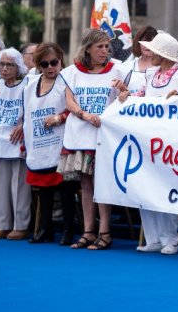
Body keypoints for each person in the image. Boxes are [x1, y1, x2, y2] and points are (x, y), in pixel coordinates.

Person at [121, 32, 178, 255]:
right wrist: (126, 96)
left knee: (165, 187)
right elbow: (139, 97)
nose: (148, 53)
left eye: (153, 50)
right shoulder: (150, 74)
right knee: (146, 188)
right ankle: (153, 237)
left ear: (163, 55)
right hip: (146, 139)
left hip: (171, 142)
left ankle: (171, 238)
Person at [59, 29, 125, 250]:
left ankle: (105, 231)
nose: (105, 51)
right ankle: (88, 230)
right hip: (81, 133)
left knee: (102, 184)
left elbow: (124, 99)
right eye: (100, 47)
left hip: (104, 136)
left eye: (107, 47)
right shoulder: (71, 72)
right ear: (88, 48)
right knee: (86, 184)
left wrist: (123, 91)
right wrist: (85, 115)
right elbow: (69, 102)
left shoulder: (117, 69)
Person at [22, 43, 78, 245]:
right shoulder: (30, 85)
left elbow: (74, 109)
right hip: (38, 143)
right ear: (39, 65)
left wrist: (59, 118)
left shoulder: (67, 81)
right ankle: (44, 229)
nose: (50, 67)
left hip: (61, 142)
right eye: (44, 64)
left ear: (61, 60)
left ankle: (68, 230)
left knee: (65, 190)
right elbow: (27, 116)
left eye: (54, 62)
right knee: (42, 190)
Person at [0, 48, 31, 240]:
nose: (3, 68)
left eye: (9, 65)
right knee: (1, 184)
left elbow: (33, 108)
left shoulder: (26, 85)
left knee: (19, 185)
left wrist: (23, 125)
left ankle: (20, 225)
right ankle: (2, 224)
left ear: (18, 66)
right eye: (0, 64)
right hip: (1, 139)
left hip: (18, 139)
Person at [123, 26, 159, 92]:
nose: (147, 45)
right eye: (144, 41)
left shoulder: (162, 67)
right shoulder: (127, 67)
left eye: (151, 41)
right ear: (138, 43)